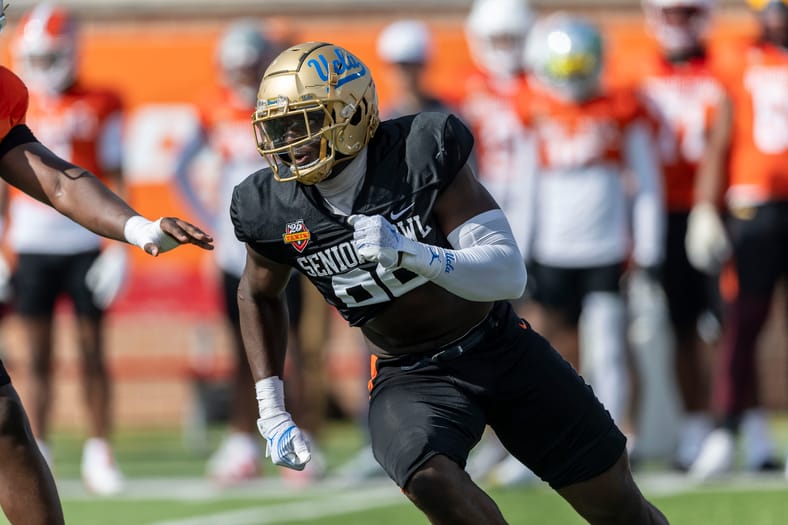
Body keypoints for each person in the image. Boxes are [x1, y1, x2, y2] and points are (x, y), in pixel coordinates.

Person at [232, 40, 668, 524]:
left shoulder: (420, 151)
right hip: (409, 372)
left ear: (352, 114)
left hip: (499, 346)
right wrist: (270, 408)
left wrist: (414, 254)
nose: (289, 142)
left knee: (619, 507)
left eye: (304, 123)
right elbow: (257, 291)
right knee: (426, 474)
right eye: (278, 128)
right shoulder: (269, 207)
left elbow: (507, 271)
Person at [0, 6, 213, 524]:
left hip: (72, 246)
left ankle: (98, 449)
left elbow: (54, 179)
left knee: (5, 419)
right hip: (30, 249)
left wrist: (136, 230)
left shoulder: (11, 94)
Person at [6, 2, 131, 495]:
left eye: (51, 54)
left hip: (85, 240)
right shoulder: (14, 96)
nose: (43, 65)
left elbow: (114, 169)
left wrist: (121, 244)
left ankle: (100, 449)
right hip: (31, 243)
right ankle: (43, 446)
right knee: (33, 356)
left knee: (92, 352)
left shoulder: (102, 100)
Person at [174, 18, 287, 486]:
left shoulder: (283, 106)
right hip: (232, 250)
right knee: (246, 347)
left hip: (285, 246)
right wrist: (207, 219)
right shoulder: (212, 108)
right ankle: (245, 439)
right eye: (237, 67)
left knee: (289, 346)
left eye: (250, 66)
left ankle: (297, 436)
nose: (243, 75)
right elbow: (179, 169)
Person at [685, 0, 788, 479]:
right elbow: (719, 138)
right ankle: (725, 428)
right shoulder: (738, 63)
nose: (776, 16)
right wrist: (706, 205)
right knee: (742, 322)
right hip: (755, 209)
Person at [629, 0, 726, 471]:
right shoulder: (639, 80)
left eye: (687, 12)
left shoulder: (725, 71)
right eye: (670, 13)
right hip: (665, 214)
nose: (677, 23)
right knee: (681, 324)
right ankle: (695, 429)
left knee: (728, 323)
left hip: (720, 210)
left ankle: (740, 425)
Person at [457, 0, 538, 486]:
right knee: (480, 330)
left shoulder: (543, 85)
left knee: (530, 330)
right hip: (478, 217)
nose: (505, 51)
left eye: (513, 39)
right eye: (497, 39)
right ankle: (490, 439)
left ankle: (527, 437)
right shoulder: (466, 91)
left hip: (532, 216)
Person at [375, 19, 454, 119]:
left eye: (409, 66)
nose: (403, 74)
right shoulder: (381, 120)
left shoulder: (448, 118)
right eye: (397, 67)